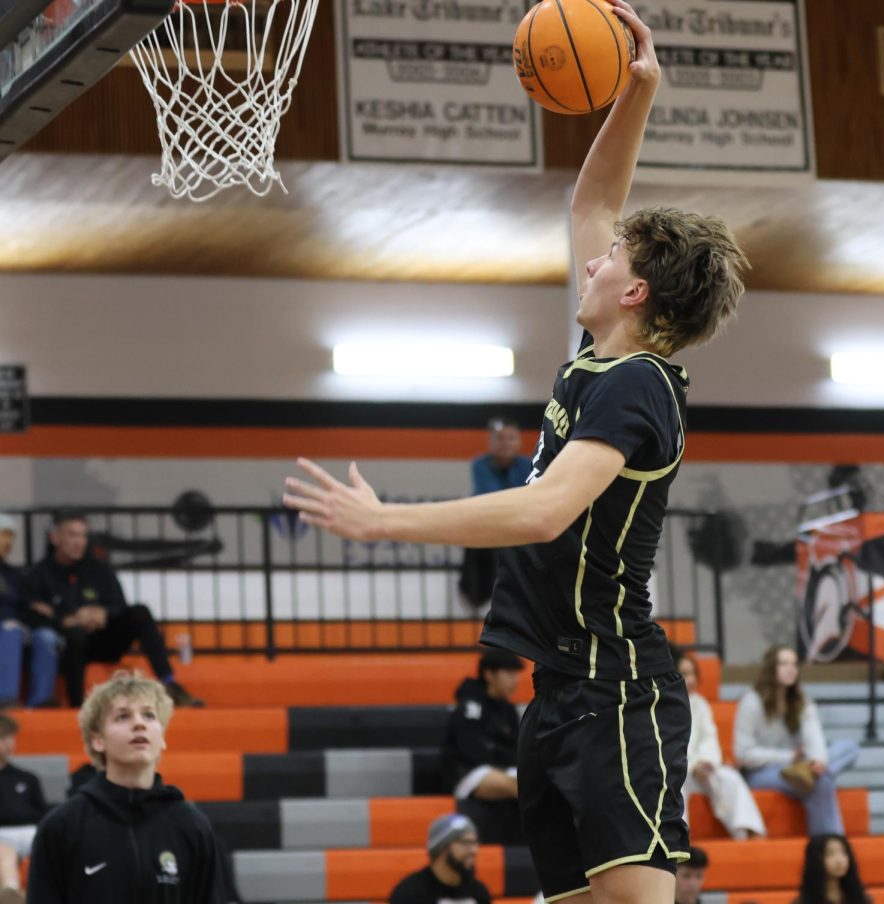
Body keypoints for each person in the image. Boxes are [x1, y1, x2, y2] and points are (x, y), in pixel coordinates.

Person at [281, 5, 747, 903]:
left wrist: (387, 522)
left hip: (618, 684)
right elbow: (591, 200)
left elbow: (541, 510)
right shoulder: (596, 358)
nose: (591, 259)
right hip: (558, 689)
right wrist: (638, 92)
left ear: (636, 289)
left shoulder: (640, 384)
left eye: (609, 257)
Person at [25, 670, 225, 903]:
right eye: (122, 717)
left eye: (149, 716)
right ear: (97, 740)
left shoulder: (192, 826)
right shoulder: (62, 826)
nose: (139, 724)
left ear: (162, 738)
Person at [23, 510, 203, 708]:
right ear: (55, 538)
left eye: (83, 535)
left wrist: (103, 613)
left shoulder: (100, 569)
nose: (79, 541)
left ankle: (169, 684)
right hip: (68, 645)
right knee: (74, 636)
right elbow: (31, 614)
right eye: (72, 535)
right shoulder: (38, 574)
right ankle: (78, 706)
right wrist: (65, 620)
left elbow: (119, 605)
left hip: (104, 639)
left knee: (139, 612)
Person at [734, 646, 859, 837]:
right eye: (783, 663)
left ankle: (813, 773)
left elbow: (814, 735)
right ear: (771, 668)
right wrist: (789, 757)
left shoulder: (801, 700)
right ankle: (831, 846)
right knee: (823, 783)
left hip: (801, 767)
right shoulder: (752, 701)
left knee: (849, 748)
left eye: (794, 664)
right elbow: (743, 753)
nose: (790, 669)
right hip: (761, 771)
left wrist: (818, 760)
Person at [674, 649, 764, 840]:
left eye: (692, 673)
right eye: (683, 673)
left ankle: (747, 833)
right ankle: (677, 844)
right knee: (674, 786)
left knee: (729, 778)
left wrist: (705, 762)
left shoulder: (701, 704)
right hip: (676, 769)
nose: (689, 679)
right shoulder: (663, 707)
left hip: (699, 767)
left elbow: (708, 738)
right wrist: (692, 766)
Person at [441, 649, 524, 845]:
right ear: (489, 674)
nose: (515, 680)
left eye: (516, 674)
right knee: (523, 786)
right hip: (467, 772)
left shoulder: (508, 710)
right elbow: (471, 750)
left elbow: (517, 748)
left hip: (499, 769)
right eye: (509, 674)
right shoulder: (470, 706)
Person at [460, 419, 535, 606]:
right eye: (500, 438)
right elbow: (490, 496)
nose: (505, 443)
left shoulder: (528, 465)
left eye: (511, 438)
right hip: (488, 531)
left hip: (520, 533)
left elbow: (528, 499)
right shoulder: (480, 464)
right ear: (491, 442)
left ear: (518, 441)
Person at [0, 514, 58, 708]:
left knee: (46, 636)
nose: (7, 542)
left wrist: (37, 609)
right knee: (11, 630)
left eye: (10, 536)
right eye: (2, 535)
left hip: (17, 629)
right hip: (7, 631)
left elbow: (23, 606)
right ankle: (5, 700)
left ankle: (40, 703)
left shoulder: (14, 575)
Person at [0, 713, 49, 904]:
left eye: (11, 736)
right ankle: (10, 893)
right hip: (2, 834)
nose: (9, 742)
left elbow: (44, 813)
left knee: (53, 844)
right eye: (3, 737)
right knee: (6, 851)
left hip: (31, 831)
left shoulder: (28, 777)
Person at [389, 813, 491, 904]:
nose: (474, 850)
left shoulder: (479, 892)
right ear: (442, 848)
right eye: (466, 843)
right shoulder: (409, 894)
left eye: (474, 843)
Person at [796, 834, 871, 904]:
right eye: (830, 854)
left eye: (843, 853)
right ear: (816, 860)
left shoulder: (860, 899)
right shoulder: (804, 901)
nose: (839, 860)